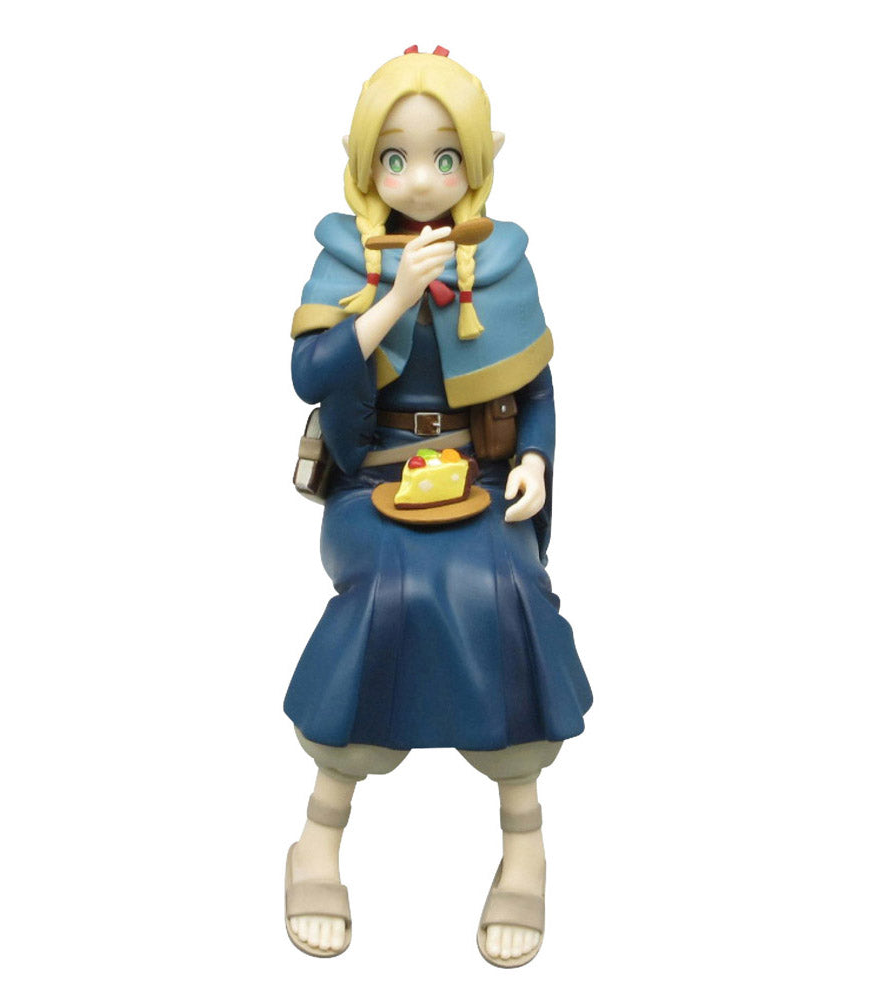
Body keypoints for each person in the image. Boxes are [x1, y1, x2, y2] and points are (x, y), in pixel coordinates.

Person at [283, 46, 592, 967]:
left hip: (481, 478)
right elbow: (310, 373)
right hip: (372, 477)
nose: (421, 179)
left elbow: (535, 386)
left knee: (503, 592)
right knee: (395, 594)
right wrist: (395, 299)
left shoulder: (503, 261)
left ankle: (524, 837)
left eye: (445, 157)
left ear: (477, 164)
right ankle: (320, 830)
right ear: (365, 163)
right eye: (397, 156)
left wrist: (534, 457)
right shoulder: (345, 259)